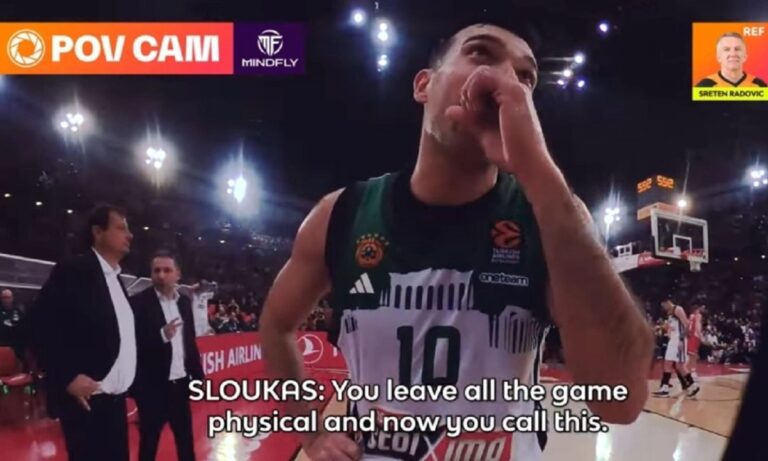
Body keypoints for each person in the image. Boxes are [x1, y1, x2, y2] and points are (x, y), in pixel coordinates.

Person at [261, 22, 654, 461]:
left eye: (525, 77)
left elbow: (620, 402)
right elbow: (276, 325)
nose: (505, 81)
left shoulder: (550, 214)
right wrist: (311, 433)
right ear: (423, 85)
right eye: (482, 54)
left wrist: (540, 175)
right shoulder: (341, 215)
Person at [30, 204, 136, 461]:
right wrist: (66, 377)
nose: (130, 235)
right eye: (121, 228)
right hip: (88, 404)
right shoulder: (74, 270)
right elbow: (38, 325)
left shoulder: (116, 280)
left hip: (115, 405)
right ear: (98, 232)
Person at [130, 251, 203, 461]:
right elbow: (132, 344)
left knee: (185, 441)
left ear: (177, 274)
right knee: (149, 442)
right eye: (157, 271)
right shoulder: (138, 303)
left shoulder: (184, 303)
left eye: (167, 270)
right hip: (152, 387)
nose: (161, 275)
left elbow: (189, 342)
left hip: (180, 385)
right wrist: (161, 335)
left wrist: (198, 377)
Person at [653, 298, 700, 398]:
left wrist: (682, 338)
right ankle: (665, 388)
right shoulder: (669, 313)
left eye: (664, 305)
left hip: (679, 341)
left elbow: (687, 324)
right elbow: (671, 326)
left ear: (668, 302)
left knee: (680, 366)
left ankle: (693, 385)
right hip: (673, 340)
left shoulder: (678, 309)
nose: (663, 307)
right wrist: (662, 328)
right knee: (667, 363)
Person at [696, 32, 767, 88]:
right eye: (726, 49)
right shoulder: (705, 86)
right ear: (718, 57)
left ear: (745, 56)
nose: (733, 54)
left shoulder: (759, 86)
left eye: (737, 49)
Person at [686, 303, 705, 377]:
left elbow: (687, 326)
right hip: (695, 336)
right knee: (694, 355)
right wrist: (701, 336)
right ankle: (692, 371)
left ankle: (687, 370)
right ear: (697, 310)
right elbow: (697, 327)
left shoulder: (690, 316)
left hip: (690, 336)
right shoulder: (698, 316)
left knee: (690, 355)